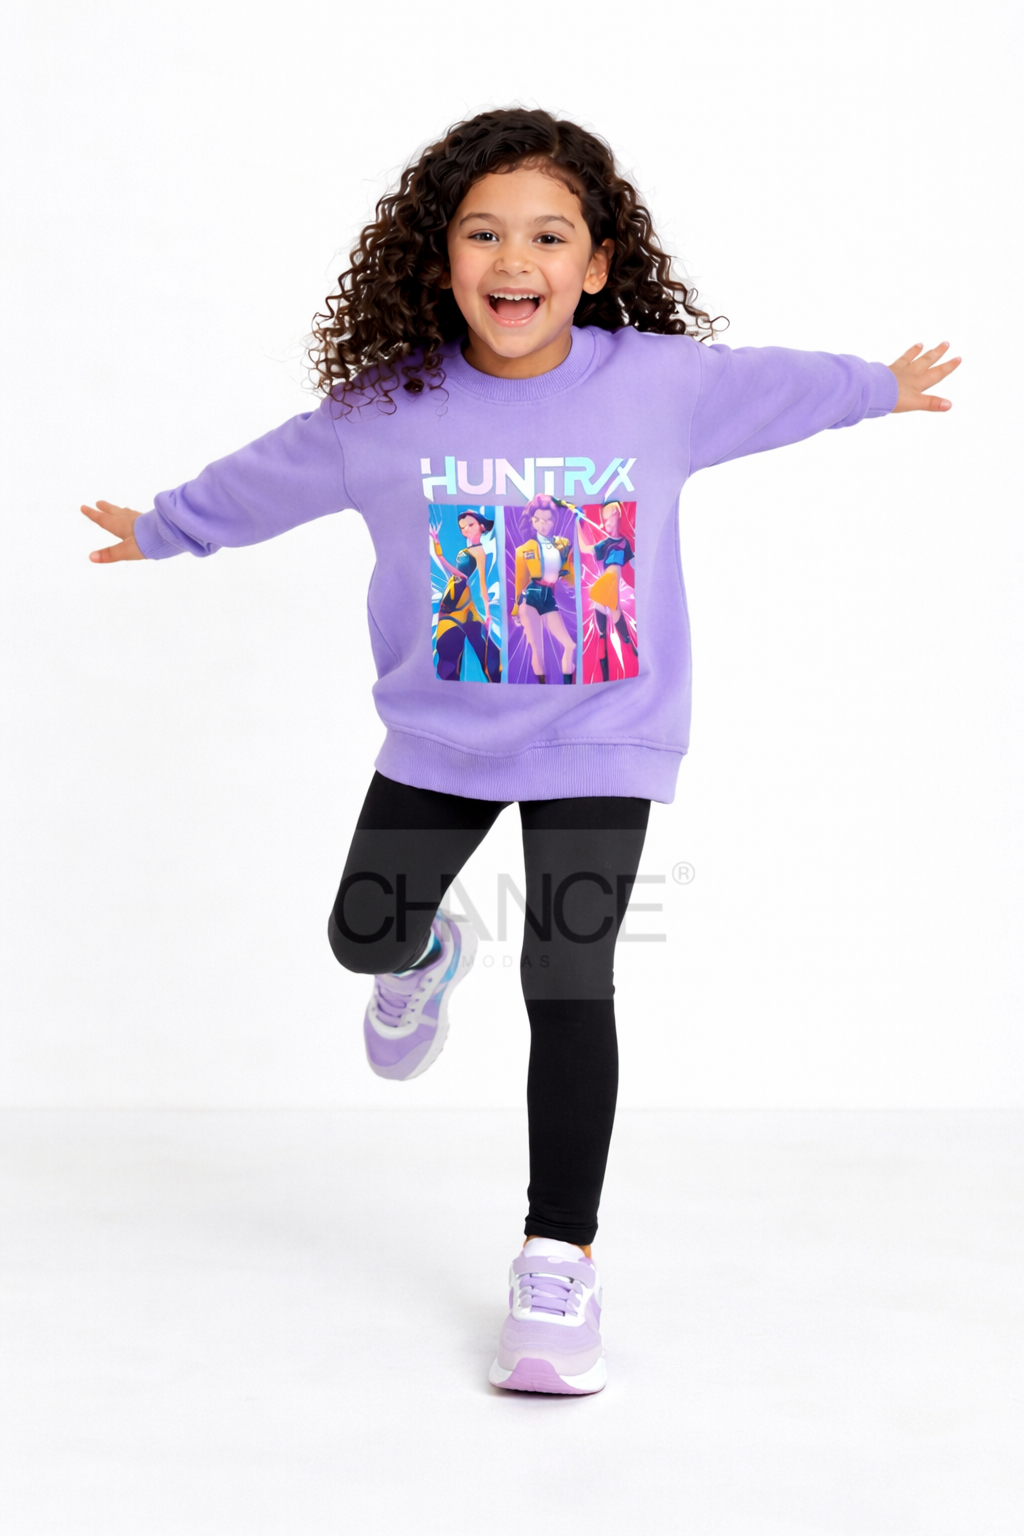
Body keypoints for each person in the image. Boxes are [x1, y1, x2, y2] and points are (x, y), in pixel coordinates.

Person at [80, 107, 959, 1396]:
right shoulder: (388, 410)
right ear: (439, 260)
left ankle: (559, 1259)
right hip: (442, 737)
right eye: (483, 232)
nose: (514, 259)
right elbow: (271, 478)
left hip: (605, 739)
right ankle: (423, 957)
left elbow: (782, 387)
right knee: (361, 935)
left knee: (568, 979)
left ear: (595, 265)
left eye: (549, 237)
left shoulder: (659, 386)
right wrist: (167, 527)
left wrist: (877, 385)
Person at [511, 493, 577, 683]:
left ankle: (567, 685)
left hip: (548, 596)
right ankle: (542, 687)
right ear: (531, 521)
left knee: (569, 645)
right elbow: (520, 581)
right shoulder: (524, 549)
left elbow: (568, 573)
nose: (543, 524)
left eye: (548, 520)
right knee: (537, 649)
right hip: (529, 597)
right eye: (538, 520)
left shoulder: (562, 544)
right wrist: (515, 608)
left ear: (554, 520)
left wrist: (582, 588)